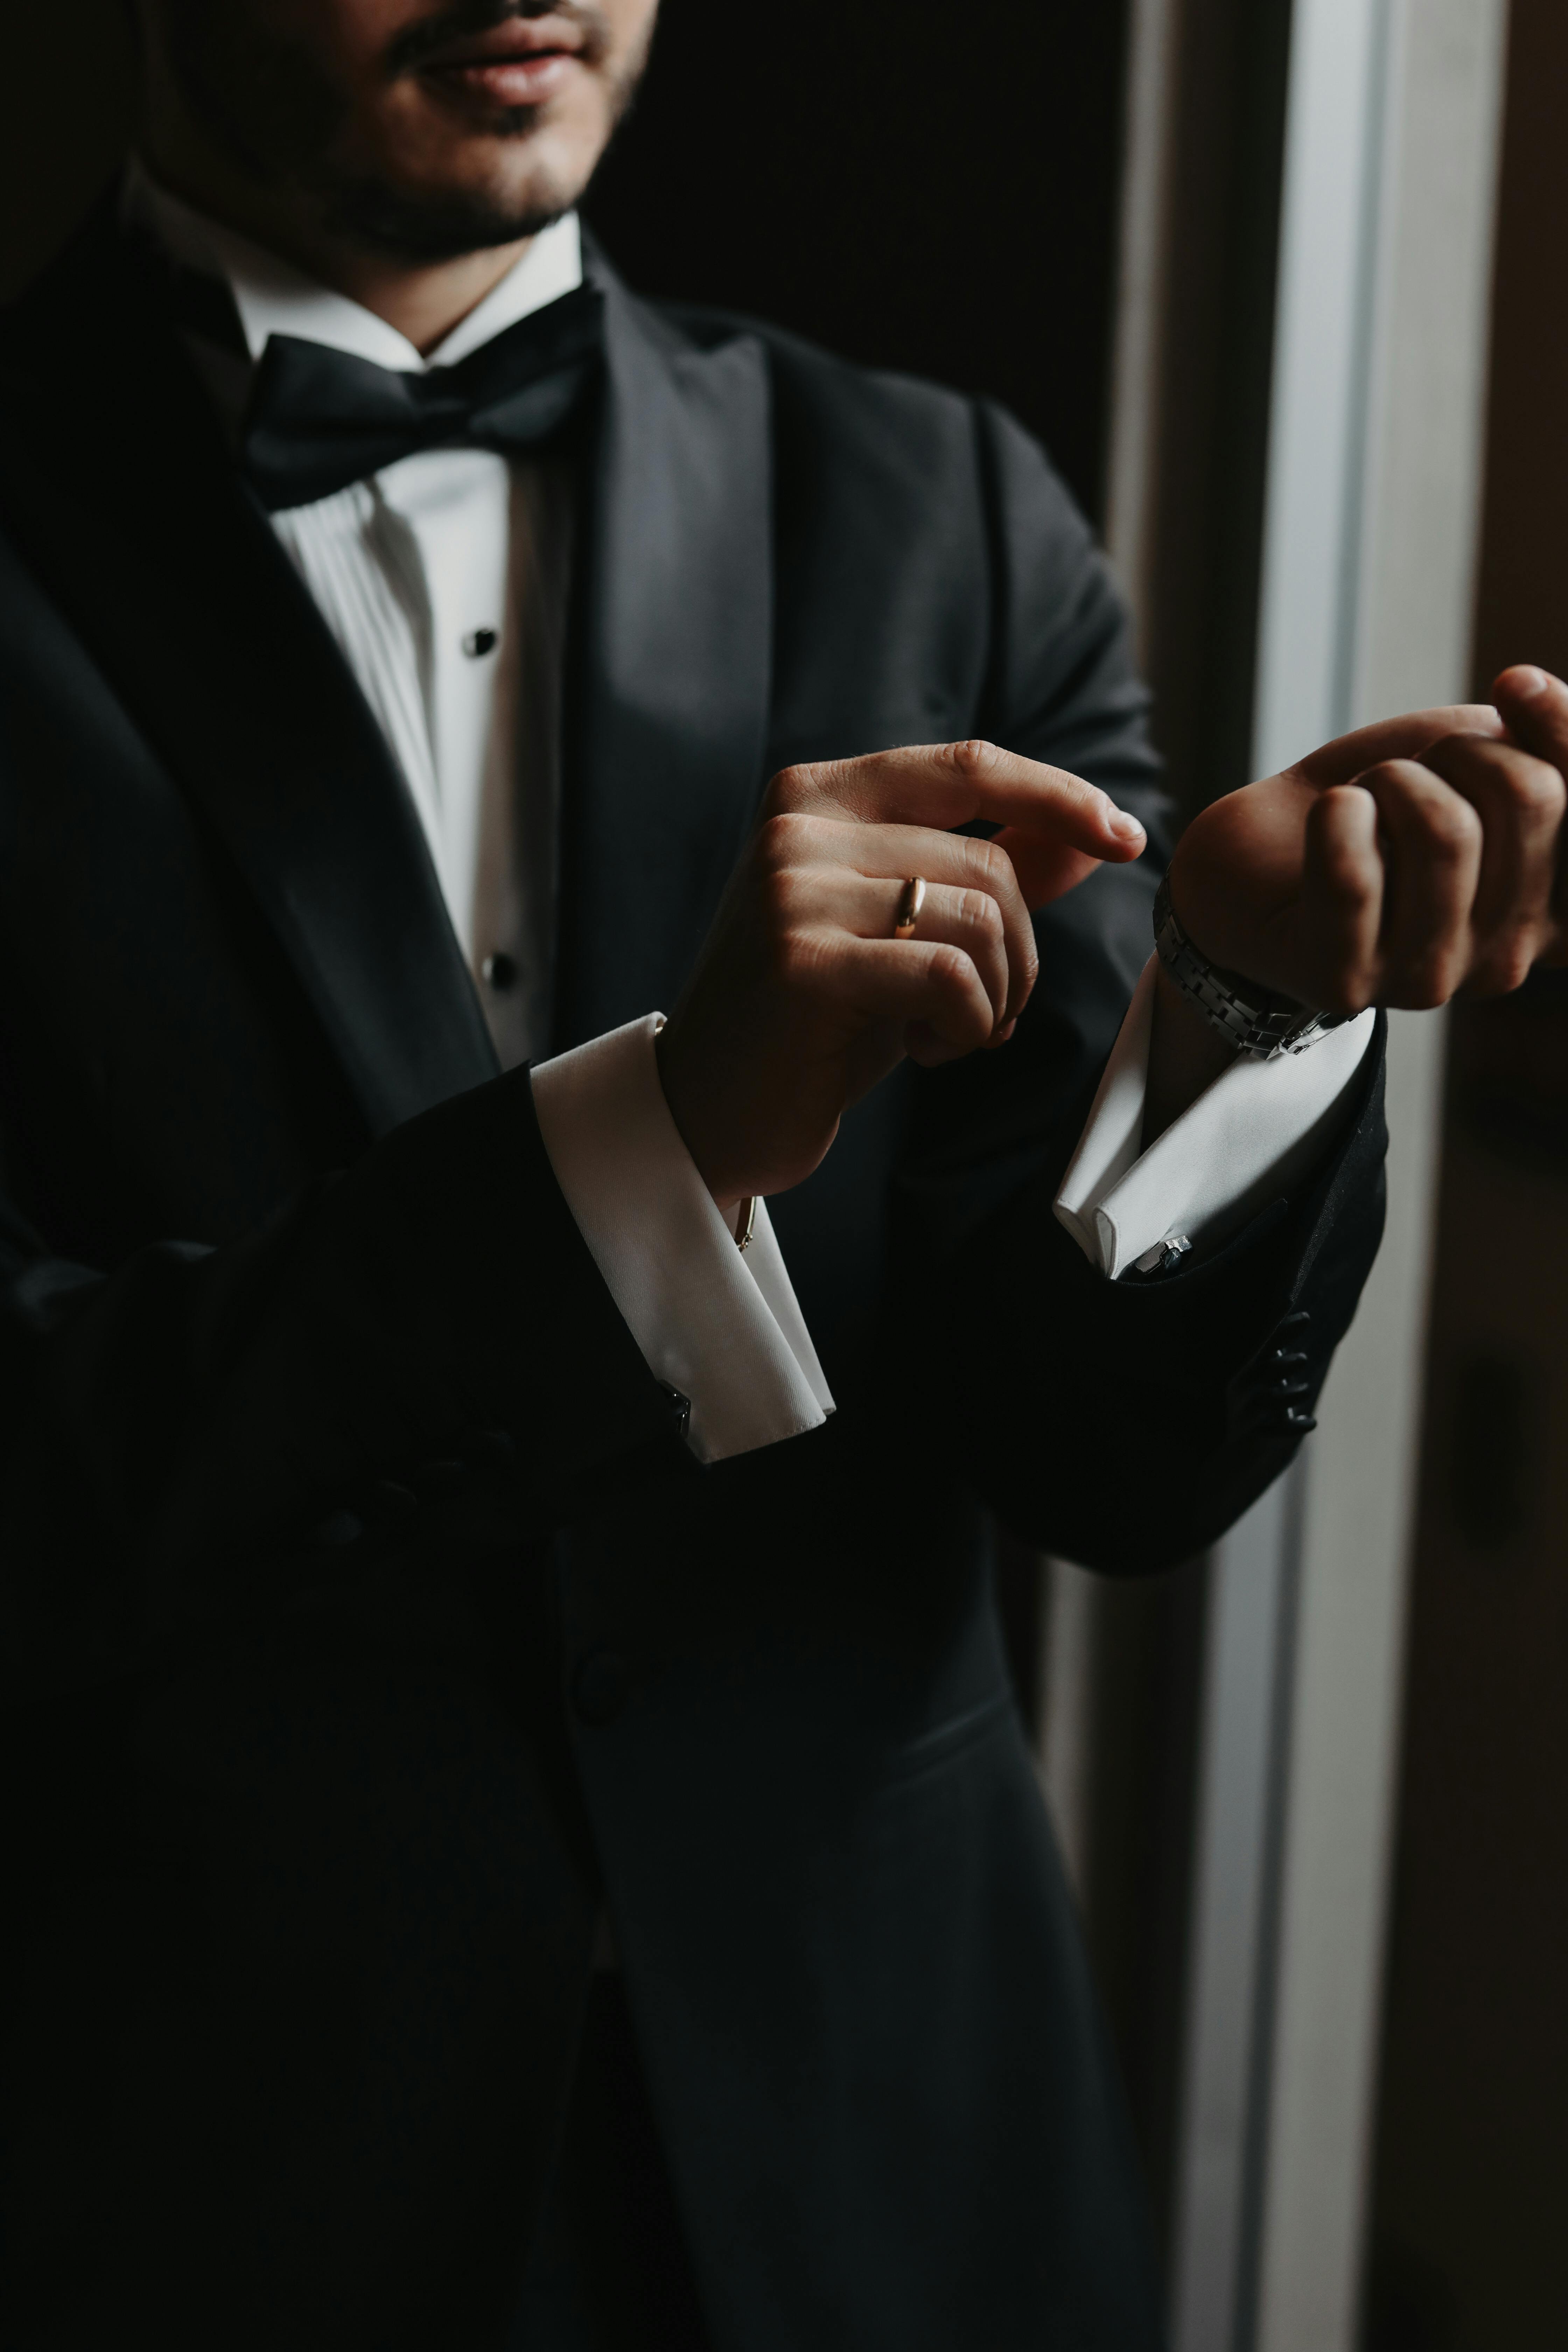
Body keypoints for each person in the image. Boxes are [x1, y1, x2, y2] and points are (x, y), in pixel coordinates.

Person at [2, 3, 1566, 2345]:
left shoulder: (938, 504)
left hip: (899, 2159)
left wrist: (1240, 1013)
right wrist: (656, 1148)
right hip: (186, 2189)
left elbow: (1106, 1463)